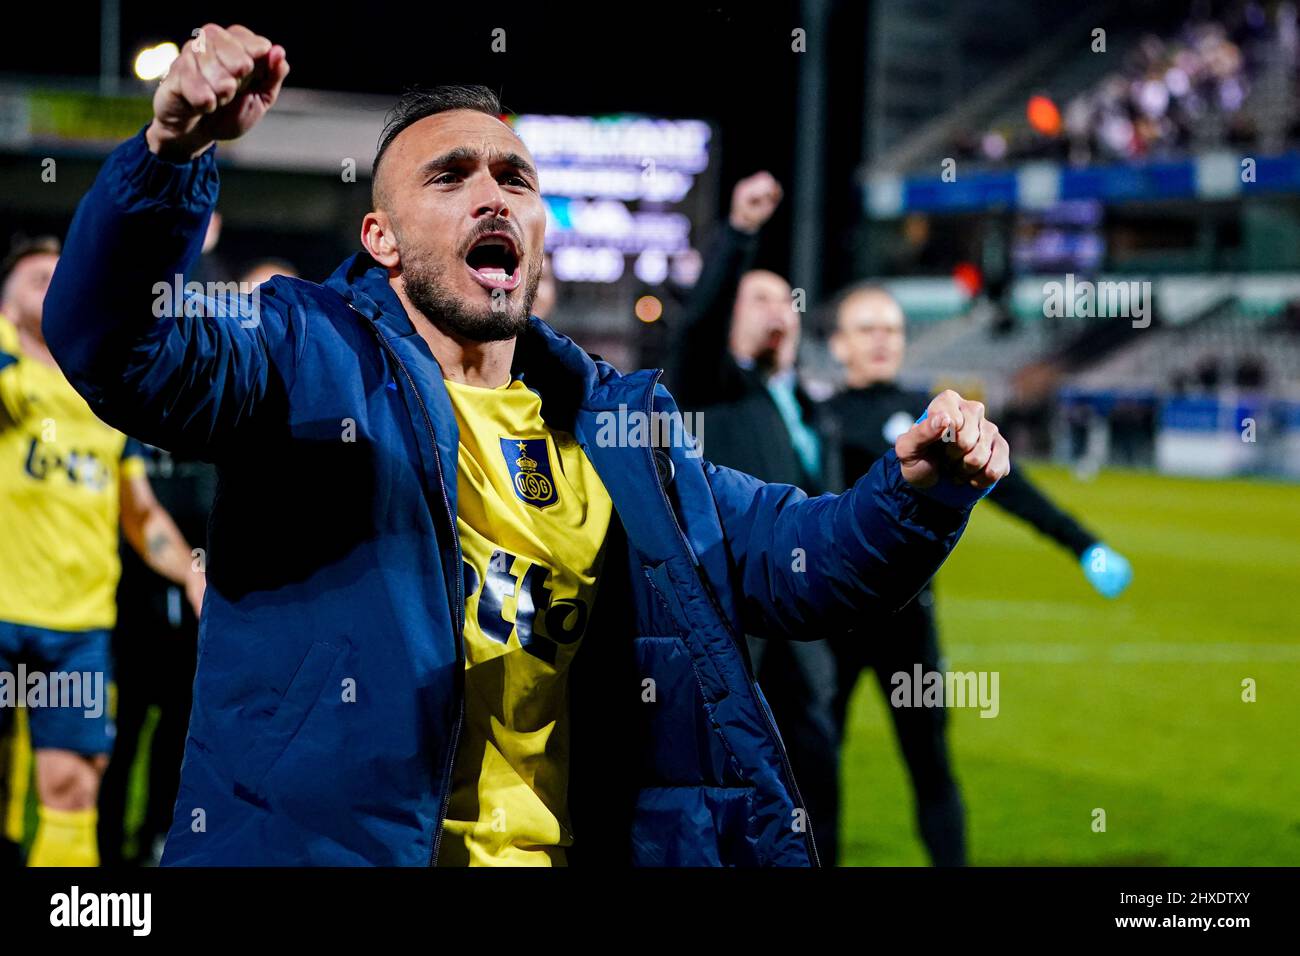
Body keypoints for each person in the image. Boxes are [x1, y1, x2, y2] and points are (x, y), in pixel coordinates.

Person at [44, 24, 1008, 866]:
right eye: (451, 176)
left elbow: (803, 561)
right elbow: (113, 344)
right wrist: (168, 156)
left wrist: (917, 491)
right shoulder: (301, 357)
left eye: (514, 176)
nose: (493, 195)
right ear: (381, 237)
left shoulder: (614, 429)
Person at [824, 283, 1132, 866]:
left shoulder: (935, 414)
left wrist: (1083, 544)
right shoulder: (813, 416)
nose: (883, 340)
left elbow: (1008, 485)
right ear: (839, 345)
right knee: (815, 768)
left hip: (907, 626)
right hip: (825, 627)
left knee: (932, 766)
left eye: (892, 328)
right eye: (867, 329)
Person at [0, 236, 204, 866]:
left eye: (60, 277)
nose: (51, 284)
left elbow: (140, 515)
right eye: (36, 276)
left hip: (80, 628)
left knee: (72, 785)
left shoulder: (101, 394)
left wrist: (193, 572)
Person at [666, 171, 846, 862]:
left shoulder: (806, 405)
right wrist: (739, 235)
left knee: (816, 785)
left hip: (804, 632)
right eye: (758, 299)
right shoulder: (715, 386)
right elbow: (700, 328)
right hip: (733, 625)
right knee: (731, 795)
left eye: (785, 300)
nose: (777, 311)